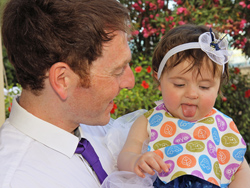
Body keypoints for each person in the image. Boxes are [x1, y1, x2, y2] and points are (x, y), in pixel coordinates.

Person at [0, 0, 135, 187]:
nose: (130, 82)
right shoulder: (17, 180)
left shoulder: (98, 126)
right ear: (63, 80)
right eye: (117, 70)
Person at [107, 24, 250, 188]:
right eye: (179, 84)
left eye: (204, 87)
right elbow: (126, 154)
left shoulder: (222, 125)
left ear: (218, 88)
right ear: (159, 79)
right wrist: (136, 161)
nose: (192, 94)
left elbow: (240, 169)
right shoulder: (150, 121)